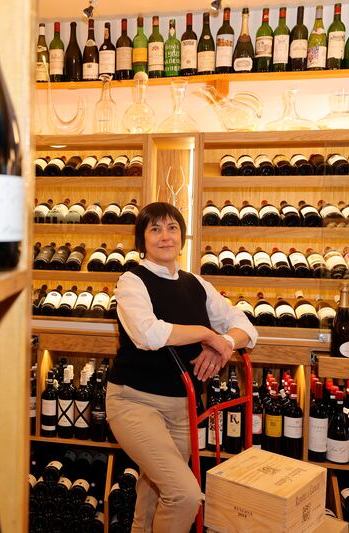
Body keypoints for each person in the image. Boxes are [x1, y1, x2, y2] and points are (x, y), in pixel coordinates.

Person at [105, 202, 257, 533]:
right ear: (141, 239)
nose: (165, 236)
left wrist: (225, 344)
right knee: (184, 494)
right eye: (155, 229)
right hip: (134, 401)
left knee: (153, 489)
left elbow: (244, 325)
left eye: (172, 228)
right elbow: (149, 334)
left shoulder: (196, 284)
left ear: (182, 236)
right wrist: (206, 334)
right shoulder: (132, 281)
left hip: (183, 408)